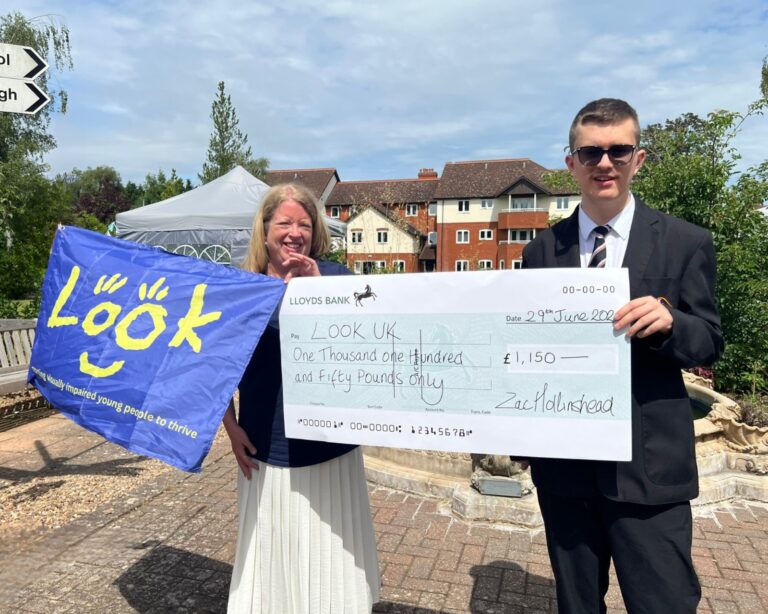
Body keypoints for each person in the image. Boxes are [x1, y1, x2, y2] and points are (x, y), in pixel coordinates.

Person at [521, 99, 723, 613]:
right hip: (565, 468)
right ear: (571, 163)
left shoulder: (685, 242)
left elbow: (709, 341)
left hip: (648, 468)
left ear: (639, 158)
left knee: (664, 603)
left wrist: (672, 324)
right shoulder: (541, 251)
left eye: (618, 150)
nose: (603, 163)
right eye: (590, 152)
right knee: (578, 605)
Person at [223, 183, 380, 613]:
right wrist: (229, 424)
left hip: (330, 448)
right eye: (285, 222)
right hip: (265, 447)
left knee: (332, 557)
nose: (295, 232)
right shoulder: (242, 287)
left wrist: (320, 294)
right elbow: (213, 361)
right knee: (272, 554)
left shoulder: (337, 279)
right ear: (265, 228)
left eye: (305, 224)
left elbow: (368, 346)